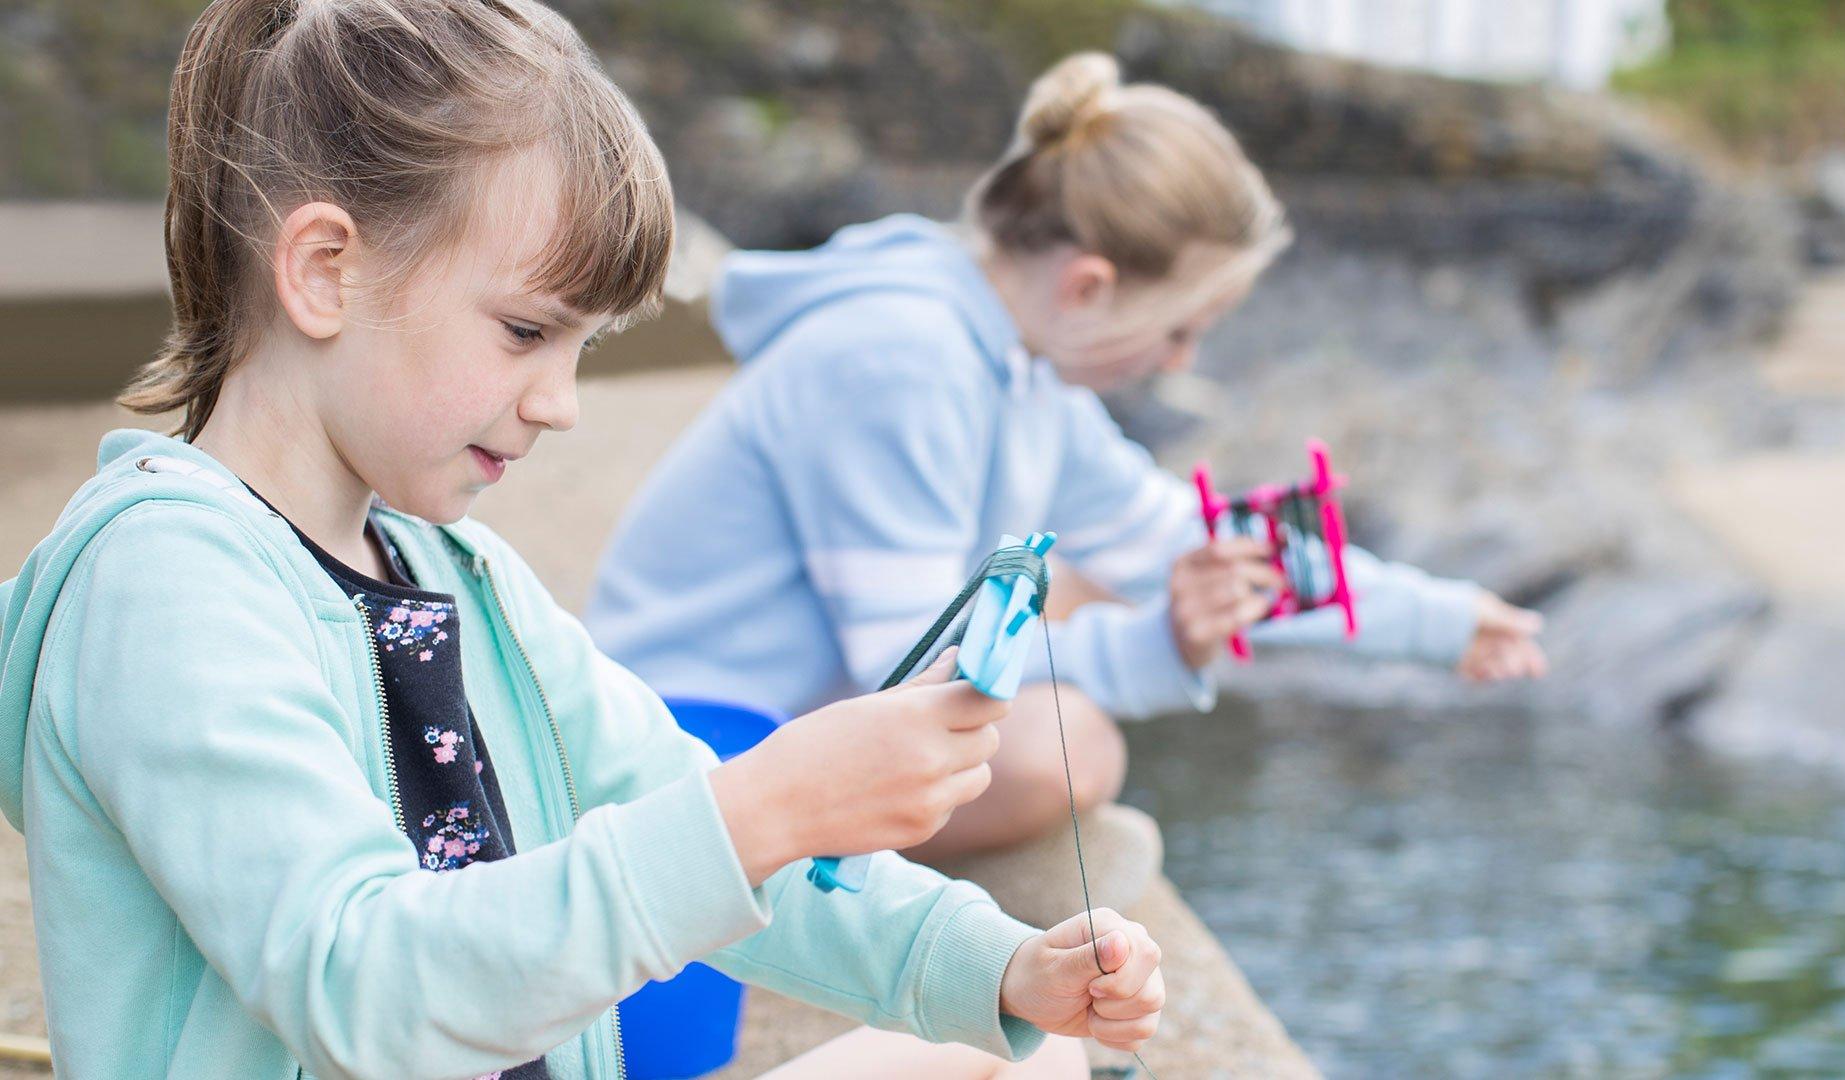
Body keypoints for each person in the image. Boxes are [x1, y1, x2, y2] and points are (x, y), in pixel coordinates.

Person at [0, 4, 1166, 1076]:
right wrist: (763, 810)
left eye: (581, 349)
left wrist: (1001, 967)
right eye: (524, 331)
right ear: (322, 271)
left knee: (1022, 1051)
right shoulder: (164, 586)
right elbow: (357, 984)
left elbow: (684, 800)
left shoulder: (463, 575)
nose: (560, 403)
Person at [587, 52, 1548, 863]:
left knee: (1069, 707)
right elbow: (915, 673)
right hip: (681, 746)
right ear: (1090, 286)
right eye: (1180, 331)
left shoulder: (1024, 370)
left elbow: (1188, 541)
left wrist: (1439, 620)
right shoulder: (899, 358)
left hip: (784, 716)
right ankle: (802, 904)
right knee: (1065, 747)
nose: (1181, 364)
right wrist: (1164, 646)